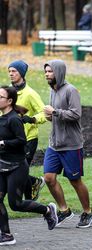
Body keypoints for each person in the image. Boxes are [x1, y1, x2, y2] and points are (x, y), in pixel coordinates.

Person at [0, 86, 57, 246]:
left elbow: (21, 141)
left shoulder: (14, 119)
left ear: (9, 101)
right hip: (1, 165)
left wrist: (3, 143)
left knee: (16, 204)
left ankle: (47, 210)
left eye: (0, 96)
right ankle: (6, 235)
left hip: (17, 167)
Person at [43, 59, 92, 228]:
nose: (47, 75)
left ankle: (88, 212)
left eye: (50, 72)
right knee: (49, 178)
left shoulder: (70, 90)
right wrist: (50, 116)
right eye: (45, 72)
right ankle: (64, 210)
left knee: (75, 181)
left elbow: (76, 114)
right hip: (54, 144)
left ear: (58, 72)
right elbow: (56, 114)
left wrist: (55, 112)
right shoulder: (53, 90)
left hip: (71, 145)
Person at [8, 60, 46, 201]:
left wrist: (32, 119)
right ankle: (34, 183)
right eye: (9, 71)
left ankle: (28, 194)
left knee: (18, 169)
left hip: (28, 139)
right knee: (11, 168)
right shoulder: (7, 92)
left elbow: (44, 113)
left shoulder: (30, 94)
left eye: (14, 71)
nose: (11, 74)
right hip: (10, 139)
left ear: (22, 74)